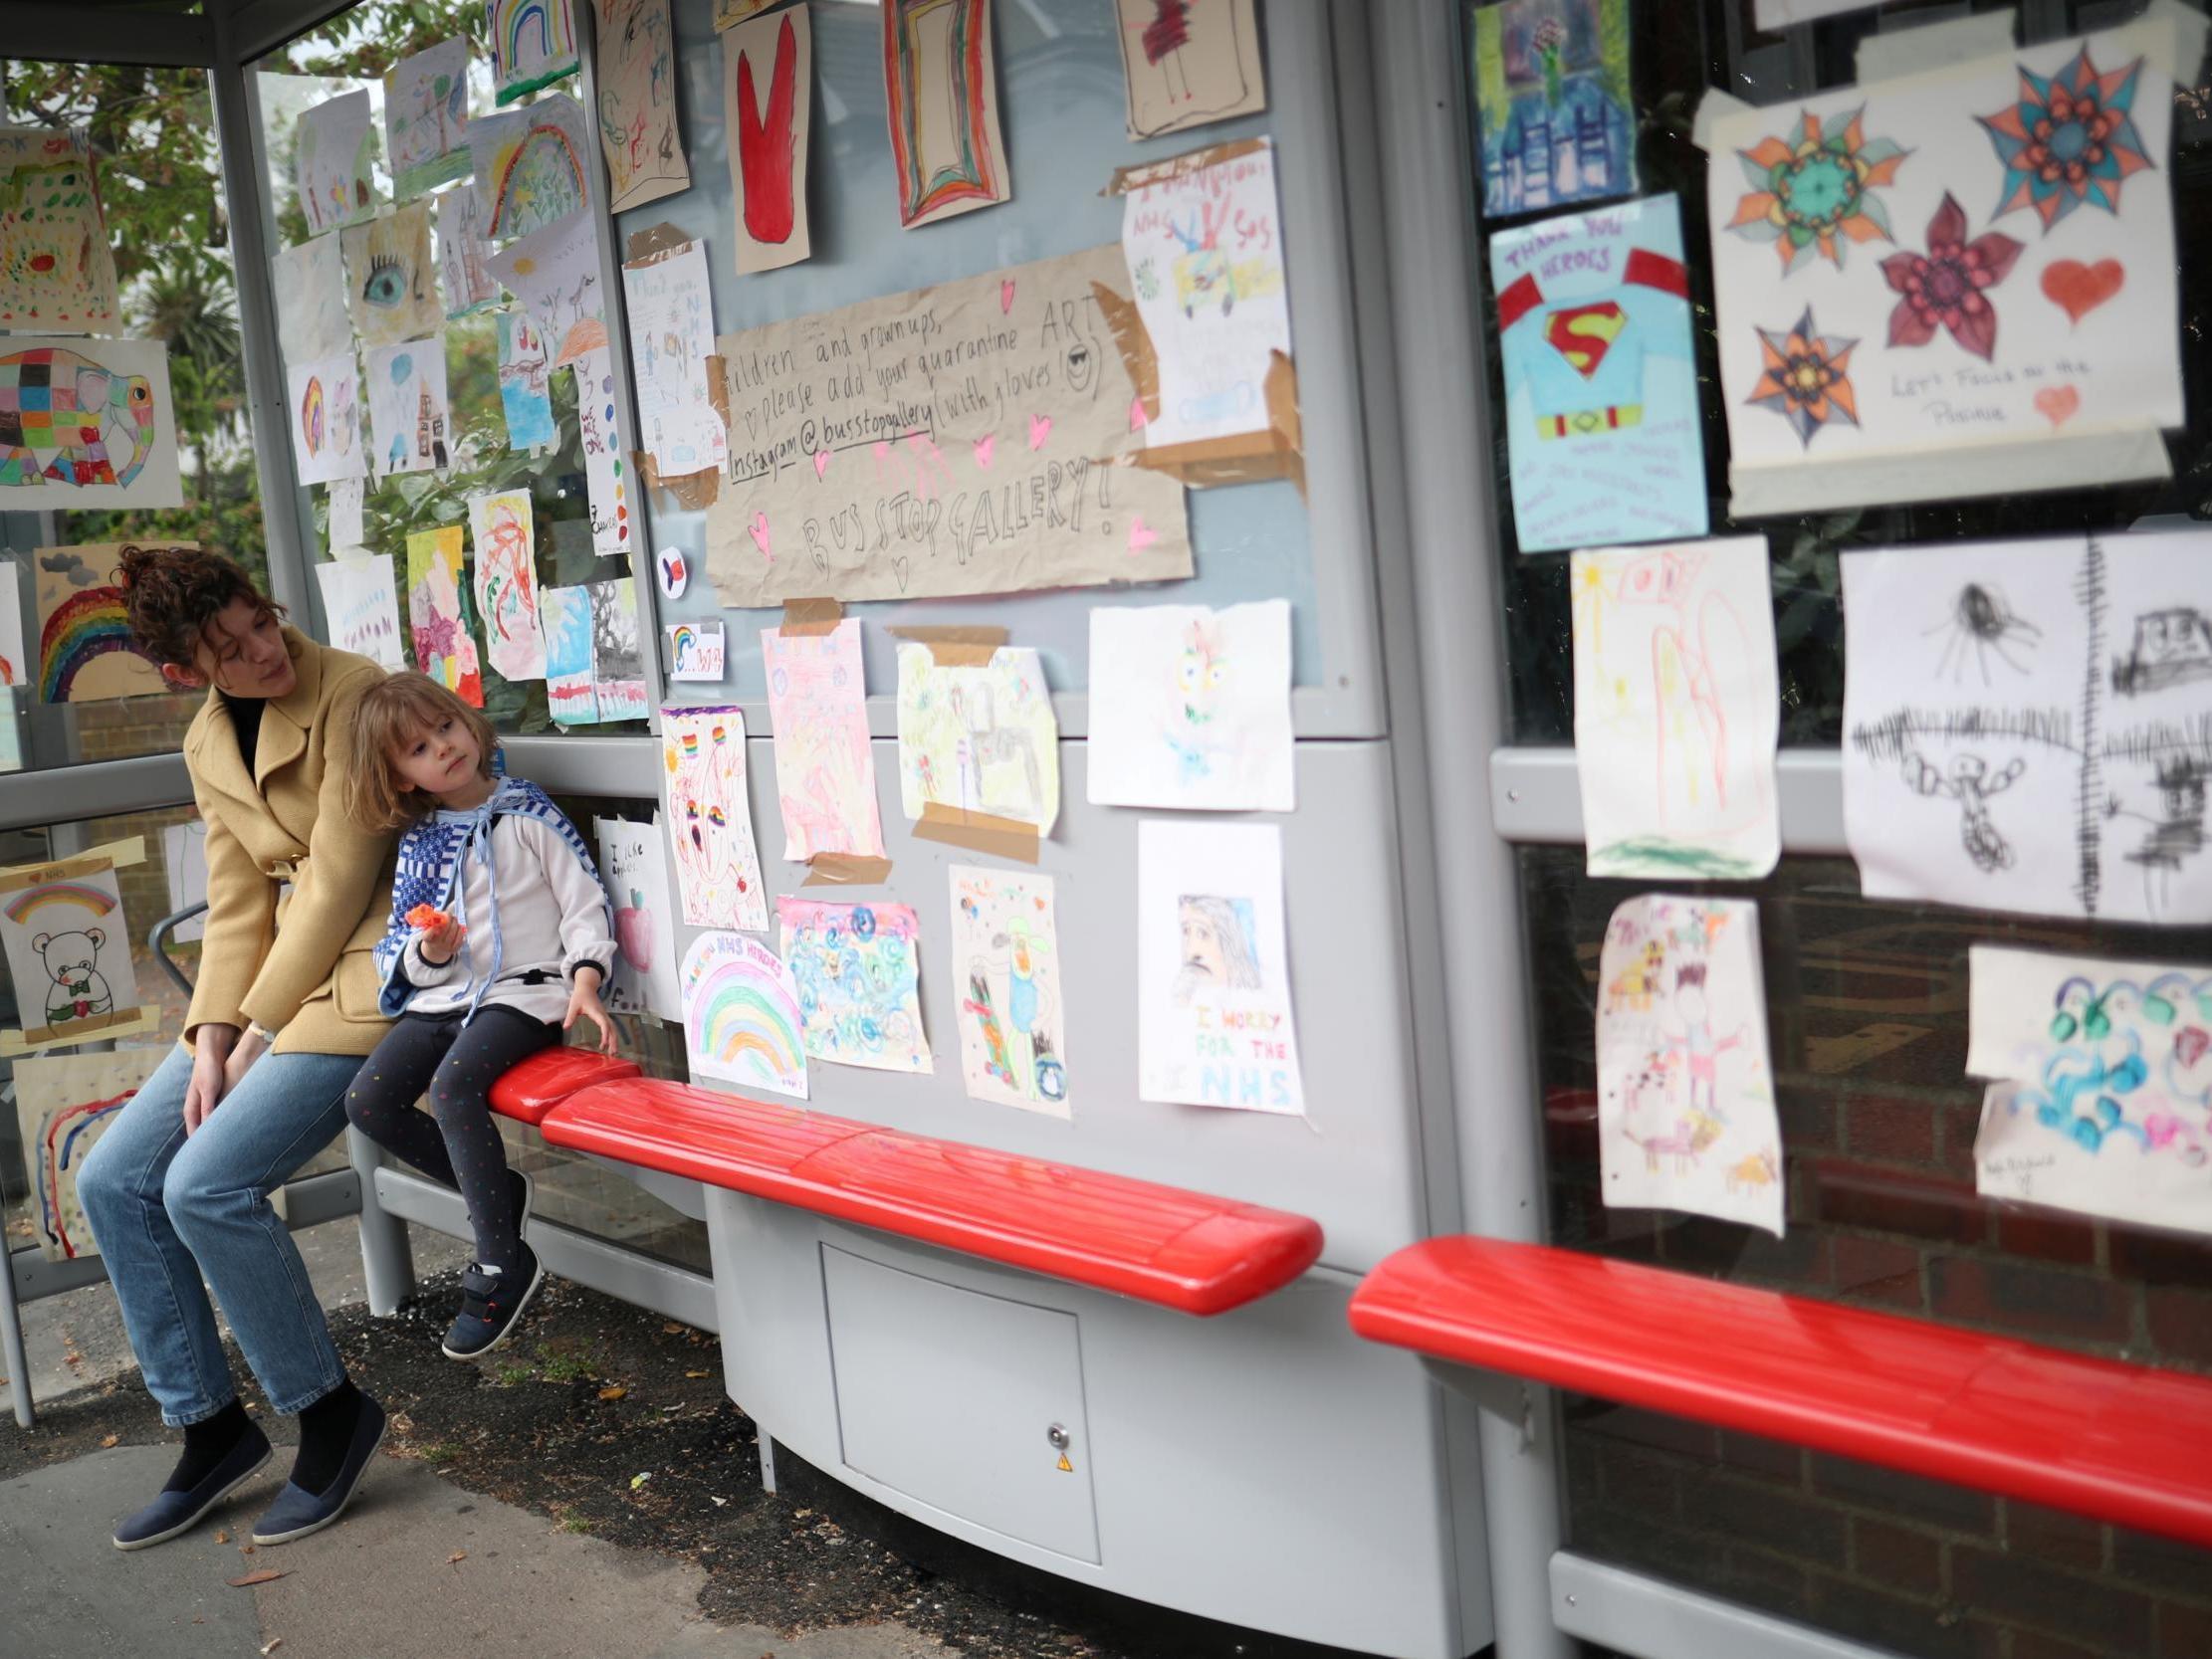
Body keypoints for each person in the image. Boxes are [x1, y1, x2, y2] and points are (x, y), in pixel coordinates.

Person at [76, 544, 396, 1552]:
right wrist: (211, 1039)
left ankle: (330, 1411)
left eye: (261, 619)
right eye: (230, 646)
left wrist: (253, 1033)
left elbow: (340, 880)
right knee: (114, 1178)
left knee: (202, 1185)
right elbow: (237, 900)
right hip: (273, 994)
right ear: (185, 672)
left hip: (368, 978)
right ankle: (210, 1427)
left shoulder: (354, 692)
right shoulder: (210, 738)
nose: (265, 649)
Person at [342, 673, 617, 1361]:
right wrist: (428, 952)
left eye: (446, 728)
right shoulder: (421, 841)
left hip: (524, 995)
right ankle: (499, 1191)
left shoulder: (528, 814)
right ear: (400, 776)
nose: (442, 748)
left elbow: (586, 903)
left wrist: (585, 978)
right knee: (368, 1100)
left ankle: (501, 1260)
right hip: (447, 998)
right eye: (418, 748)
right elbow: (398, 949)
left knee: (452, 1087)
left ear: (469, 724)